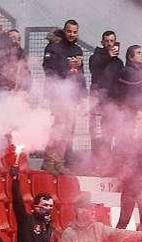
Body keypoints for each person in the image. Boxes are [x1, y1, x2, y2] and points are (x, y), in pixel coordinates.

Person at [42, 19, 86, 175]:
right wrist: (68, 67)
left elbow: (80, 73)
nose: (72, 34)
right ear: (64, 30)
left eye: (75, 32)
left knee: (68, 130)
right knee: (58, 128)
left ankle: (59, 162)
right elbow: (48, 69)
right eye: (69, 31)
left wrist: (83, 93)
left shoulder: (78, 50)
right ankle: (49, 162)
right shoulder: (53, 47)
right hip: (57, 94)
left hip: (72, 95)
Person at [88, 30, 122, 151]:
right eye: (106, 41)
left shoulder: (118, 62)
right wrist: (108, 56)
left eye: (111, 41)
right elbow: (95, 68)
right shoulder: (94, 57)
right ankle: (96, 162)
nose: (109, 43)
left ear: (115, 42)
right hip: (98, 103)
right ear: (102, 42)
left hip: (112, 102)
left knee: (110, 132)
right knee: (97, 133)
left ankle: (107, 162)